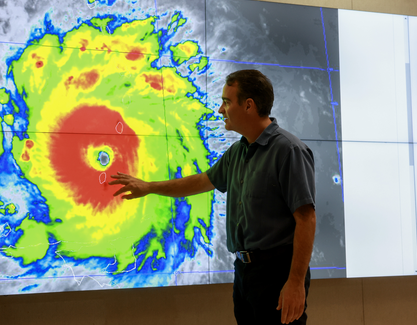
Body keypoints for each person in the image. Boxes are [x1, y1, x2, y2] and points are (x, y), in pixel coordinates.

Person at [110, 69, 316, 325]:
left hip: (277, 273)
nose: (220, 109)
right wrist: (149, 187)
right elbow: (201, 182)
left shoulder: (289, 151)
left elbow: (306, 219)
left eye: (227, 102)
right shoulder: (237, 152)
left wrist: (295, 282)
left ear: (249, 105)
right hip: (244, 272)